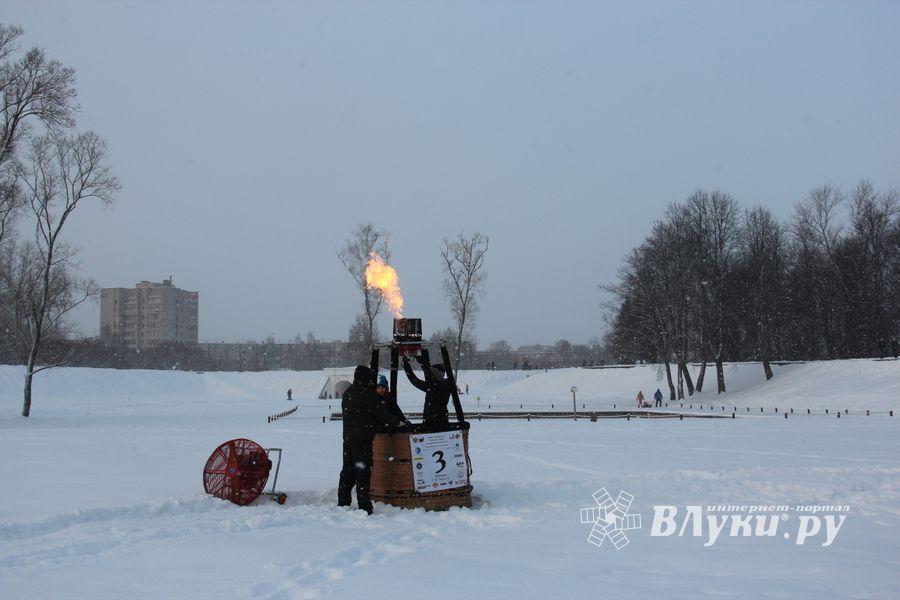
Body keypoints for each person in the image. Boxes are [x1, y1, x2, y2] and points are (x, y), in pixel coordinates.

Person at [338, 365, 406, 515]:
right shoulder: (366, 394)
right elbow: (380, 413)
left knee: (347, 470)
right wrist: (398, 423)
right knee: (362, 472)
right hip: (362, 440)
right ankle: (364, 506)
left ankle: (343, 501)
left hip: (348, 438)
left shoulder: (348, 392)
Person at [402, 354, 452, 431]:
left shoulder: (434, 387)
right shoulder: (444, 386)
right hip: (442, 422)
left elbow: (415, 380)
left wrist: (407, 365)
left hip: (431, 423)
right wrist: (422, 362)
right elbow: (427, 375)